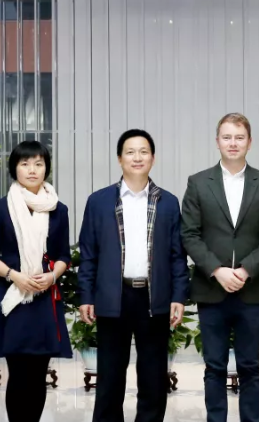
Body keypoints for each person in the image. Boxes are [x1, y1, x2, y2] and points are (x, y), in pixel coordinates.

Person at [77, 129, 189, 422]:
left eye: (143, 151)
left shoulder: (168, 202)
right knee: (110, 376)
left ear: (153, 158)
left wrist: (179, 296)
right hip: (113, 297)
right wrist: (86, 296)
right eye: (130, 152)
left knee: (153, 376)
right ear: (119, 159)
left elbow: (177, 255)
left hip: (154, 297)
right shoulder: (99, 201)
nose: (137, 157)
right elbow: (88, 253)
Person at [182, 113, 259, 422]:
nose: (233, 143)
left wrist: (245, 270)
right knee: (214, 366)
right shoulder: (198, 182)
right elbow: (189, 234)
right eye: (227, 137)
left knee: (250, 366)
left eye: (239, 137)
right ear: (217, 141)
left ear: (249, 142)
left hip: (252, 290)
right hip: (211, 289)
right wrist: (217, 270)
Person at [0, 141, 73, 422]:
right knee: (18, 373)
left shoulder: (58, 209)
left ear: (46, 169)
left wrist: (52, 276)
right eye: (25, 164)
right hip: (13, 297)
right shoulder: (0, 209)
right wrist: (14, 275)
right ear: (14, 168)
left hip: (44, 299)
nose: (32, 170)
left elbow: (63, 255)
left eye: (38, 164)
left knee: (38, 374)